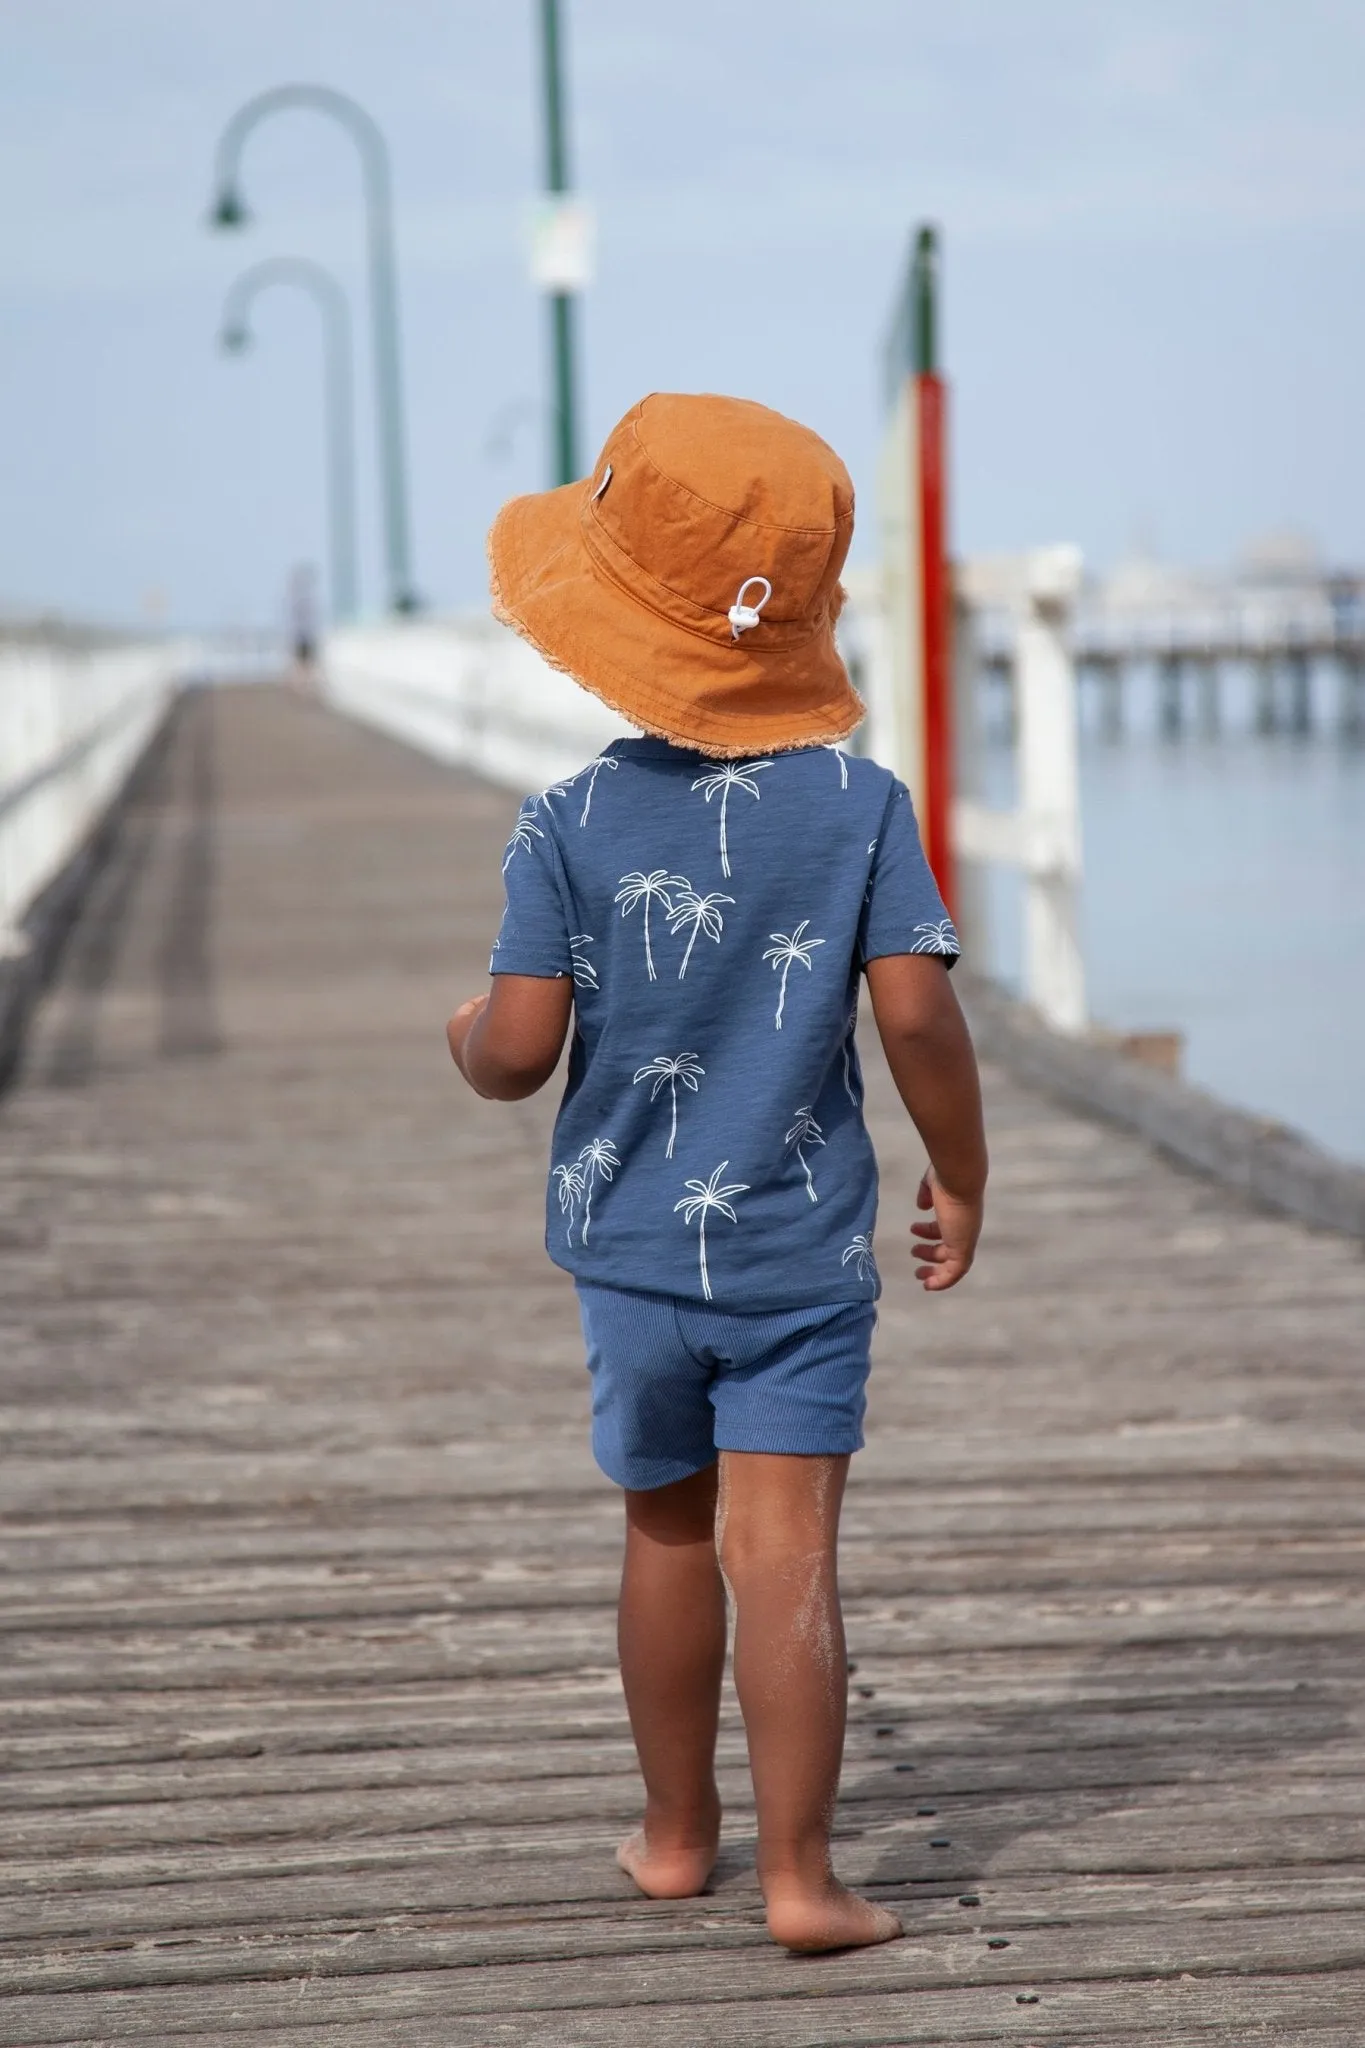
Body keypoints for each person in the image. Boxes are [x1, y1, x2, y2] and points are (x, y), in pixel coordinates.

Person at [447, 393, 988, 1953]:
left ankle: (679, 1838)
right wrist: (964, 1169)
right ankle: (806, 1882)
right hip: (801, 1260)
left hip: (630, 1258)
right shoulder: (863, 809)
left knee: (667, 1534)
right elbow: (916, 1013)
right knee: (789, 1559)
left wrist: (463, 1033)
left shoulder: (564, 822)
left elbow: (520, 1050)